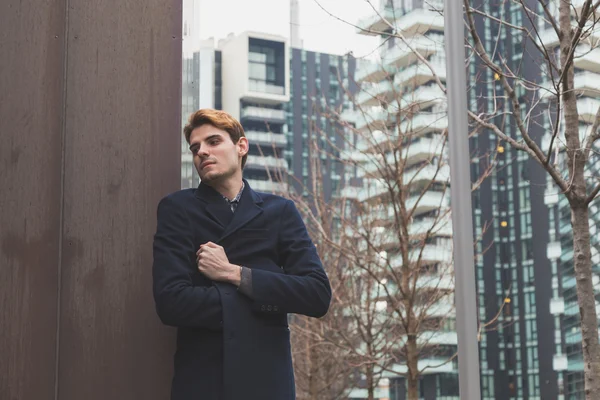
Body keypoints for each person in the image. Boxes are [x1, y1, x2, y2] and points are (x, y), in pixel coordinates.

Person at [152, 108, 332, 400]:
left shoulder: (280, 211)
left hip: (267, 382)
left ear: (241, 146)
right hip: (204, 383)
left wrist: (234, 274)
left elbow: (317, 294)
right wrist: (269, 300)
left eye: (213, 142)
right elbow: (171, 301)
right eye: (195, 147)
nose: (202, 152)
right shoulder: (177, 208)